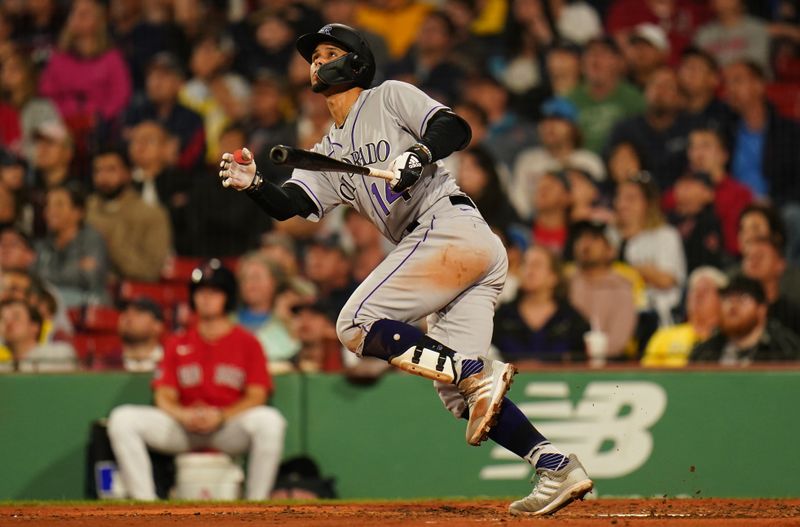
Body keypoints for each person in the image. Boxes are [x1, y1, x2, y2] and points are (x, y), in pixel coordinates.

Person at [218, 23, 592, 515]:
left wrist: (417, 153)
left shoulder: (387, 97)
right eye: (314, 55)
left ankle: (474, 370)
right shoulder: (327, 149)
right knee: (461, 397)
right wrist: (254, 185)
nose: (317, 61)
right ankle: (555, 464)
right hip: (453, 253)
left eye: (329, 52)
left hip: (449, 226)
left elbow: (454, 128)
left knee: (353, 324)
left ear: (356, 63)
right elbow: (291, 204)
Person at [106, 260, 286, 500]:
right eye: (201, 292)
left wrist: (221, 416)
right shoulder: (177, 342)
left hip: (226, 426)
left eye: (214, 292)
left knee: (270, 422)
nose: (206, 298)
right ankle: (145, 505)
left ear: (227, 297)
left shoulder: (247, 342)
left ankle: (256, 504)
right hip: (184, 427)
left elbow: (257, 395)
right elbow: (164, 395)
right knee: (122, 419)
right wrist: (183, 414)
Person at [85, 148, 172, 283]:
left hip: (129, 290)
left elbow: (151, 271)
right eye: (98, 171)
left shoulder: (151, 215)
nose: (103, 177)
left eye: (111, 170)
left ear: (128, 173)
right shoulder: (83, 210)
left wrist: (110, 243)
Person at [493, 245, 589, 364]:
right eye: (525, 263)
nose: (529, 270)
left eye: (536, 265)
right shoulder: (503, 315)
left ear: (554, 277)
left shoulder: (571, 320)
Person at [689, 274, 800, 364]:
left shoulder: (785, 351)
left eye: (743, 298)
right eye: (727, 298)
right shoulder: (704, 352)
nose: (732, 305)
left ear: (762, 309)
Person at [567, 220, 638, 360]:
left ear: (611, 250)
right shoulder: (566, 283)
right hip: (565, 364)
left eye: (594, 238)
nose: (585, 243)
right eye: (581, 238)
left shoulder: (621, 288)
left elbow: (619, 341)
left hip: (610, 368)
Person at [641, 266, 726, 367]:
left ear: (722, 298)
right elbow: (647, 376)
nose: (698, 295)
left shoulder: (728, 340)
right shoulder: (664, 336)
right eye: (694, 290)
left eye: (706, 290)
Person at [0, 298, 77, 372]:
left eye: (16, 316)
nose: (8, 322)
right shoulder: (3, 368)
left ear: (35, 326)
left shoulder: (59, 354)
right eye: (2, 318)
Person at [92, 296, 165, 372]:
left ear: (157, 326)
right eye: (125, 311)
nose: (129, 316)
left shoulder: (172, 364)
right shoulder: (104, 366)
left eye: (139, 312)